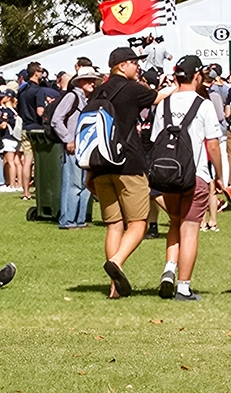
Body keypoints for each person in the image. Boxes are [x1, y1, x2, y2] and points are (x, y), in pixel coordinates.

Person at [149, 56, 223, 301]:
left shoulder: (164, 104)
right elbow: (212, 144)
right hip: (196, 174)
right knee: (189, 229)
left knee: (174, 223)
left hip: (168, 173)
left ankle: (169, 268)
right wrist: (220, 176)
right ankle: (183, 286)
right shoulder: (204, 105)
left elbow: (155, 141)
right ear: (197, 75)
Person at [87, 46, 155, 299]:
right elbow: (156, 98)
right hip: (128, 163)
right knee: (138, 222)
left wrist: (89, 173)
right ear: (121, 66)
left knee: (114, 225)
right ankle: (116, 261)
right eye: (135, 63)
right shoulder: (133, 89)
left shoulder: (96, 92)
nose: (138, 67)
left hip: (100, 165)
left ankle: (114, 287)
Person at [48, 66, 101, 230]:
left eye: (94, 79)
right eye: (88, 79)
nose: (92, 82)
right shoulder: (72, 97)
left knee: (85, 185)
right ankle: (68, 221)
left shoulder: (87, 99)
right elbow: (56, 120)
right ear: (80, 81)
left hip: (86, 148)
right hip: (74, 148)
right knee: (73, 185)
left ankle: (79, 220)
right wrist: (68, 139)